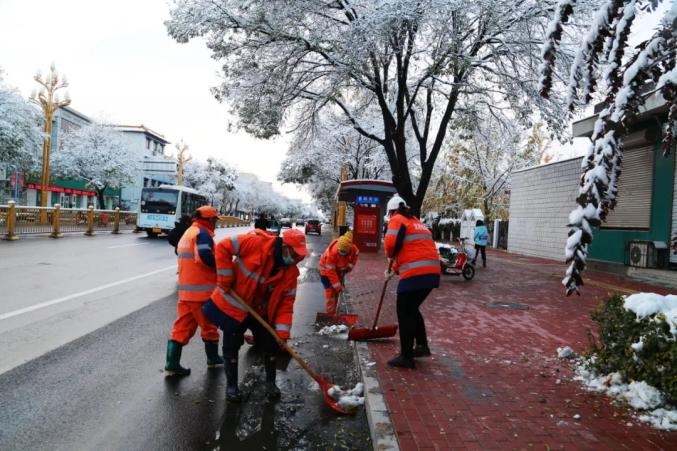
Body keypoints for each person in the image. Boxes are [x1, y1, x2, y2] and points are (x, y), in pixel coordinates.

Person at [202, 227, 308, 402]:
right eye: (294, 253)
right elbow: (223, 247)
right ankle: (232, 387)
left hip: (260, 311)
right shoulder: (255, 243)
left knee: (270, 343)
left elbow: (285, 306)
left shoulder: (289, 274)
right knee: (231, 344)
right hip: (236, 306)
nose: (296, 258)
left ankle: (270, 383)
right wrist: (225, 277)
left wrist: (282, 333)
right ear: (285, 246)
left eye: (299, 255)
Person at [164, 206, 224, 377]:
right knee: (209, 326)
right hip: (201, 292)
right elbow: (205, 255)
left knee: (182, 327)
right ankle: (213, 359)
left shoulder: (189, 232)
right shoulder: (201, 234)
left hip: (186, 292)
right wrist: (222, 266)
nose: (215, 224)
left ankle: (171, 364)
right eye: (214, 221)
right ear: (209, 220)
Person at [383, 195, 440, 369]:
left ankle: (406, 356)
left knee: (404, 311)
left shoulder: (396, 220)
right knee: (411, 309)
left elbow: (391, 245)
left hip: (417, 273)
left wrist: (389, 258)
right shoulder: (416, 222)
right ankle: (421, 346)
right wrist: (395, 270)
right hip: (431, 272)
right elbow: (412, 250)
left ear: (391, 212)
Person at [319, 231, 359, 314]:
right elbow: (330, 272)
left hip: (339, 271)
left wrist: (348, 268)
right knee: (331, 294)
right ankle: (330, 314)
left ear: (349, 249)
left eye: (344, 252)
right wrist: (338, 287)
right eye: (341, 251)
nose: (342, 253)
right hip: (325, 273)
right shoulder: (332, 253)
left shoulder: (352, 249)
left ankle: (336, 311)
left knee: (337, 293)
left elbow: (355, 255)